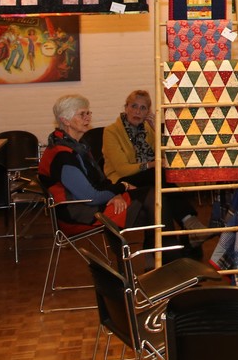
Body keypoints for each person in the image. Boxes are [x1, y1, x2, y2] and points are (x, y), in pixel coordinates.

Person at [101, 89, 202, 253]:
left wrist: (156, 129)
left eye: (143, 108)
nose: (137, 111)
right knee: (159, 174)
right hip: (122, 182)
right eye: (134, 106)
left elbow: (167, 155)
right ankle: (189, 223)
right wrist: (151, 164)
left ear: (148, 112)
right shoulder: (111, 131)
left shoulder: (147, 130)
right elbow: (122, 168)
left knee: (162, 193)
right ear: (126, 108)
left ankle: (175, 244)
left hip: (148, 179)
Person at [40, 93, 150, 228]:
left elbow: (98, 182)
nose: (88, 117)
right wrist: (122, 187)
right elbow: (91, 197)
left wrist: (115, 193)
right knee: (151, 204)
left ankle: (158, 239)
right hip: (78, 214)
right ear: (65, 121)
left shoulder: (77, 145)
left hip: (89, 204)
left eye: (88, 113)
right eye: (82, 114)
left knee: (153, 201)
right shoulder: (63, 155)